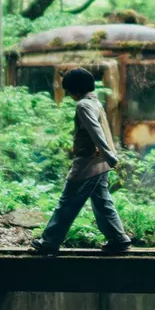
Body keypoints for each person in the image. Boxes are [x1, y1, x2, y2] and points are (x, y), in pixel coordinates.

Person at [31, 67, 133, 256]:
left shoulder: (83, 105)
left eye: (69, 91)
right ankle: (118, 238)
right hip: (100, 163)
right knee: (102, 202)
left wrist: (110, 156)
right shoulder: (95, 103)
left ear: (75, 89)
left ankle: (49, 241)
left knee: (67, 201)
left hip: (89, 162)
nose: (69, 95)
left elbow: (96, 132)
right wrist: (109, 156)